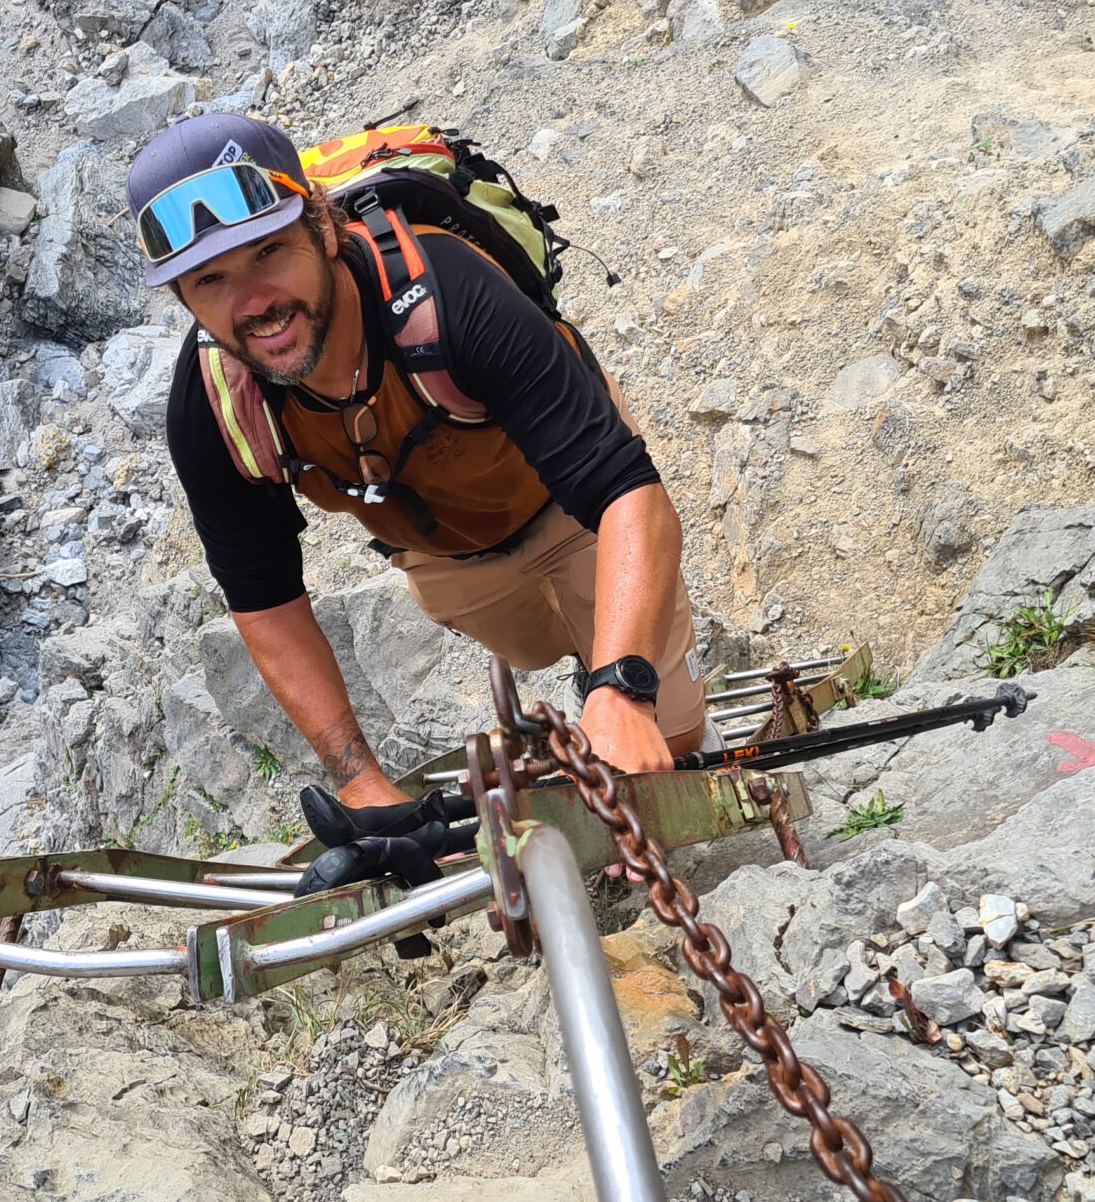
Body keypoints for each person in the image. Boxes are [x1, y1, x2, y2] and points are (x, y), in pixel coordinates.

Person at [137, 112, 706, 836]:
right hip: (447, 554)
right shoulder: (215, 403)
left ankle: (616, 673)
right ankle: (590, 661)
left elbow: (626, 490)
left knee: (670, 733)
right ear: (181, 297)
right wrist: (360, 778)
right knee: (535, 644)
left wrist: (624, 688)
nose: (252, 303)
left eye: (268, 252)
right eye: (209, 278)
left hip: (575, 506)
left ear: (321, 223)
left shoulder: (447, 291)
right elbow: (264, 600)